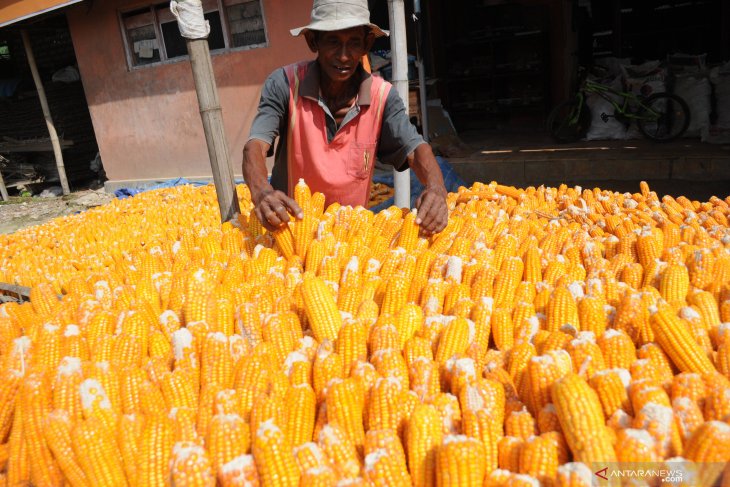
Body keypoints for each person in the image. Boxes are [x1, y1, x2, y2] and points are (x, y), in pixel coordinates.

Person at [242, 0, 448, 235]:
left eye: (354, 43)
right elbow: (254, 146)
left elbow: (415, 149)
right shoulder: (285, 85)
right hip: (289, 230)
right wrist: (261, 191)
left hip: (348, 236)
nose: (343, 56)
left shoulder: (382, 97)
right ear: (313, 42)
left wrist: (436, 187)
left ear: (367, 44)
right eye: (332, 42)